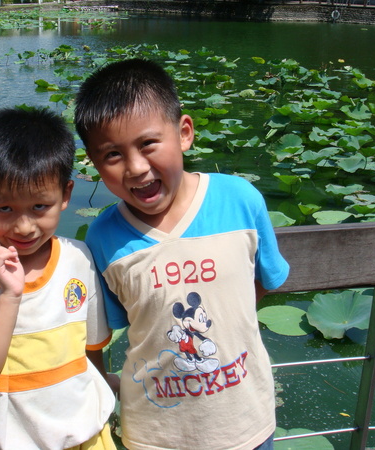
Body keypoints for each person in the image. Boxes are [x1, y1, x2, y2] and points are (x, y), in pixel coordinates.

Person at [74, 58, 290, 450]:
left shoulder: (241, 201)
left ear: (184, 132)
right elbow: (109, 328)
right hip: (156, 433)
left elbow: (263, 282)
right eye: (112, 155)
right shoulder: (104, 237)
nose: (137, 168)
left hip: (247, 423)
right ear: (94, 164)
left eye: (148, 144)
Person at [0, 107, 117, 450]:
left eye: (39, 207)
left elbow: (92, 348)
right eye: (4, 208)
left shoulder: (78, 258)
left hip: (90, 439)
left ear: (65, 194)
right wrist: (9, 296)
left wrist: (107, 388)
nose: (23, 227)